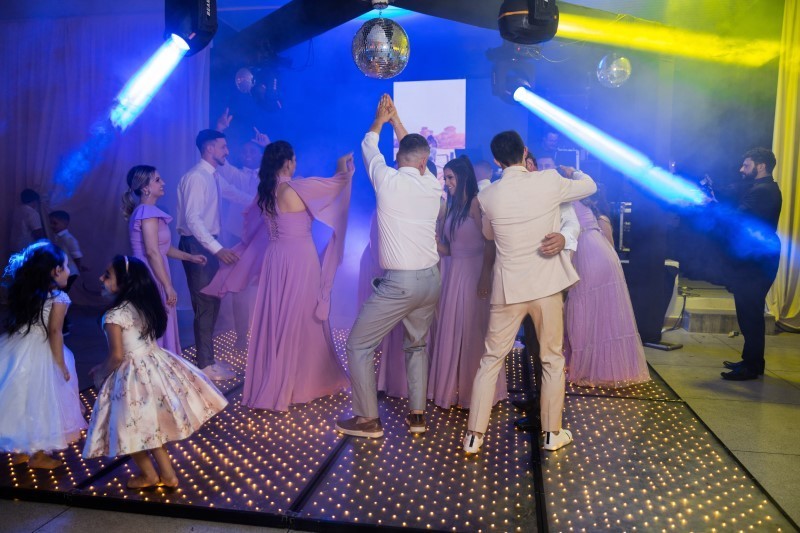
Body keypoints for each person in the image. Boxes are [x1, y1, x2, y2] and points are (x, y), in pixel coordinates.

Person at [463, 130, 596, 454]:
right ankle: (551, 434)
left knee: (491, 360)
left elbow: (489, 234)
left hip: (508, 288)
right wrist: (573, 172)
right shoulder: (548, 180)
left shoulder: (488, 195)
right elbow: (590, 186)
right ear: (525, 151)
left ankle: (473, 437)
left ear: (497, 161)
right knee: (552, 359)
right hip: (546, 286)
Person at [203, 142, 354, 411]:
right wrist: (343, 170)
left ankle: (281, 376)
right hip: (299, 259)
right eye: (293, 160)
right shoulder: (294, 188)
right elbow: (332, 189)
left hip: (276, 258)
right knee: (302, 316)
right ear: (287, 163)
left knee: (281, 315)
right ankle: (299, 382)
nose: (296, 164)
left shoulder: (267, 191)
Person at [336, 94, 443, 438]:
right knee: (416, 346)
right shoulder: (433, 184)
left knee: (358, 345)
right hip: (431, 280)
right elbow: (414, 150)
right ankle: (417, 416)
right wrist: (397, 121)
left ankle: (367, 420)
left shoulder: (387, 179)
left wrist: (381, 120)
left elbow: (369, 144)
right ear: (425, 162)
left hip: (401, 283)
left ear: (398, 159)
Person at [83, 255, 227, 489]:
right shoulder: (142, 306)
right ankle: (168, 475)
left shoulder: (113, 316)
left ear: (124, 282)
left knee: (128, 427)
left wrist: (101, 373)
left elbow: (117, 355)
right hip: (154, 366)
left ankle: (150, 475)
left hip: (132, 375)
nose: (101, 278)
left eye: (107, 275)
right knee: (151, 426)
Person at [428, 155, 506, 409]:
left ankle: (477, 393)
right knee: (453, 330)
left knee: (474, 331)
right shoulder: (453, 206)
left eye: (450, 178)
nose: (447, 182)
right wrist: (430, 240)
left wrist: (485, 276)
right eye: (446, 178)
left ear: (462, 177)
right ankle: (455, 389)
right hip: (455, 273)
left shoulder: (475, 203)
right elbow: (450, 250)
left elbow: (489, 243)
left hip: (475, 272)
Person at [0, 242, 86, 469]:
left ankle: (21, 449)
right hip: (43, 351)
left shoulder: (27, 294)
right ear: (55, 271)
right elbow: (55, 332)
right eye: (65, 266)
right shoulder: (59, 298)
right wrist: (60, 364)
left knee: (22, 398)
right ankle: (38, 455)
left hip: (17, 348)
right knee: (43, 402)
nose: (68, 271)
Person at [176, 129, 252, 381]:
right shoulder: (196, 177)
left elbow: (237, 194)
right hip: (197, 244)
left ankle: (207, 359)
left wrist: (268, 201)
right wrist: (217, 249)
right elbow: (192, 220)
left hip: (208, 243)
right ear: (209, 148)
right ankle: (205, 364)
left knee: (213, 301)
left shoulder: (213, 176)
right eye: (223, 147)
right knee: (204, 303)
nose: (227, 152)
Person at [565, 193, 650, 388]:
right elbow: (610, 247)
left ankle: (586, 368)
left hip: (589, 260)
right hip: (600, 259)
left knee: (585, 311)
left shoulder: (570, 203)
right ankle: (599, 369)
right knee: (601, 314)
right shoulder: (590, 214)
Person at [123, 165, 208, 355]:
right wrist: (168, 286)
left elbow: (163, 249)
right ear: (145, 188)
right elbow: (152, 252)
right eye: (157, 180)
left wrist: (190, 257)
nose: (163, 183)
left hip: (152, 270)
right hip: (150, 274)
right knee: (157, 320)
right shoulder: (147, 212)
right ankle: (158, 366)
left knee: (158, 320)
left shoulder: (147, 211)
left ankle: (161, 365)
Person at [721, 147, 782, 380]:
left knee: (751, 313)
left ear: (761, 166)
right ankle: (752, 362)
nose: (741, 169)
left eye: (746, 165)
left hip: (758, 259)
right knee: (748, 312)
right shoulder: (762, 189)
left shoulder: (763, 191)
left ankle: (751, 366)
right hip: (757, 257)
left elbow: (737, 218)